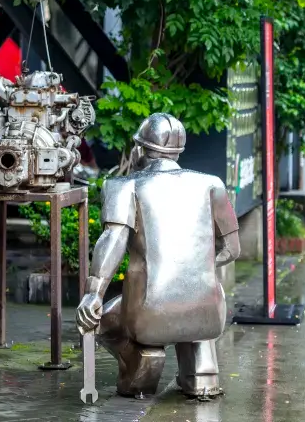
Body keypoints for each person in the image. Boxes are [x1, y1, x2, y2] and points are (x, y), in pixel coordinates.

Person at [76, 113, 241, 398]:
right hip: (208, 312)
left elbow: (113, 241)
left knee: (102, 321)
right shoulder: (212, 185)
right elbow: (232, 249)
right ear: (178, 151)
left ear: (140, 149)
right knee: (199, 305)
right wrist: (193, 269)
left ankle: (143, 362)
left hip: (149, 313)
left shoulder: (123, 186)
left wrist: (94, 293)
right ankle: (202, 375)